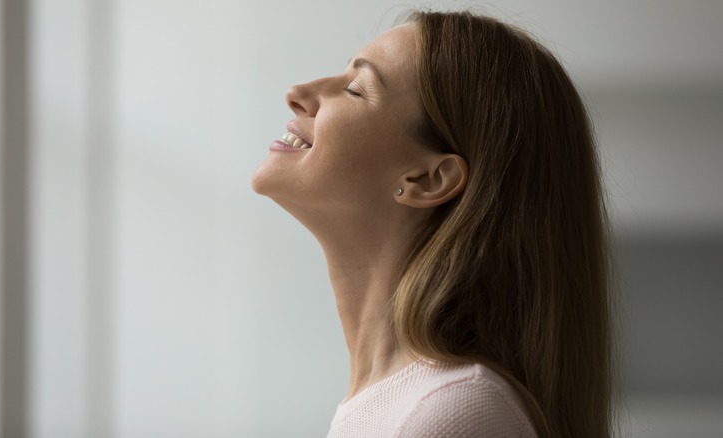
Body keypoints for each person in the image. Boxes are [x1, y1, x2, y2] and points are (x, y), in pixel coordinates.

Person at [252, 9, 614, 438]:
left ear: (428, 179)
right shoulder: (402, 405)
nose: (297, 93)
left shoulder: (451, 414)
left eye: (354, 89)